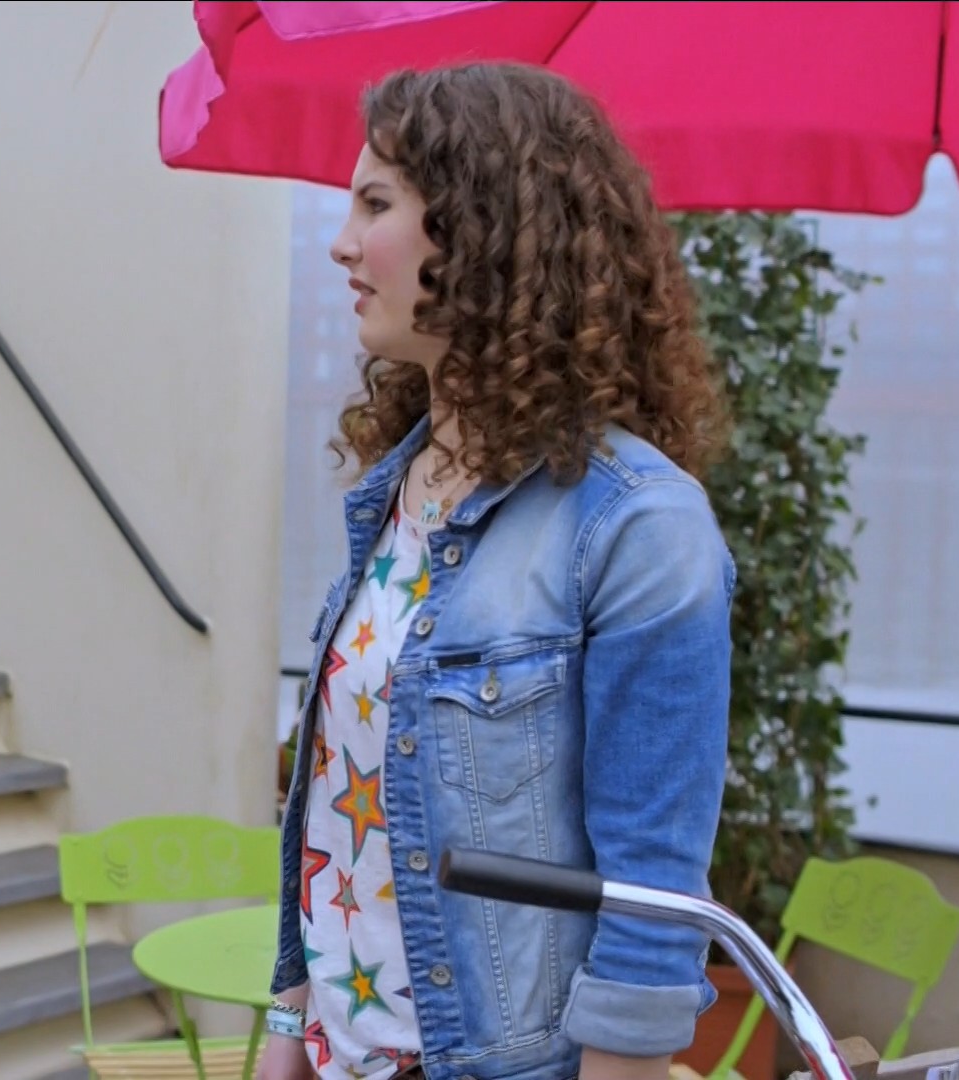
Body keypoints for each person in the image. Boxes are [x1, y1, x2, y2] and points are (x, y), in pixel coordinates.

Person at [255, 62, 735, 1080]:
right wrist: (288, 1037)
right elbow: (342, 824)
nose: (341, 242)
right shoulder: (397, 492)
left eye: (375, 204)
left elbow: (651, 906)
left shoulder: (640, 527)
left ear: (481, 229)